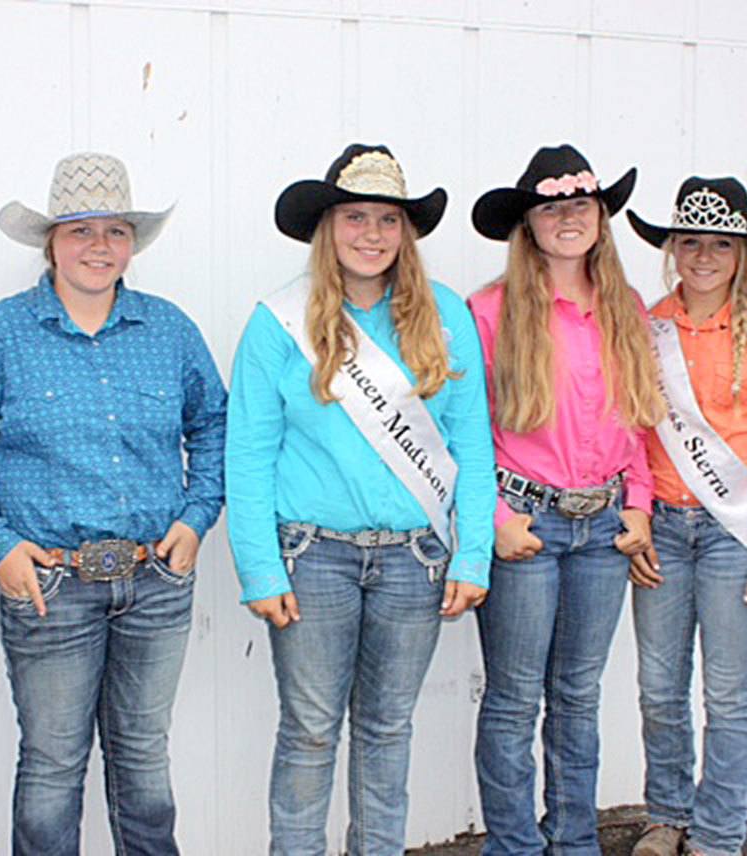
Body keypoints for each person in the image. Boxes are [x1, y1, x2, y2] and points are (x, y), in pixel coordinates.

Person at [0, 152, 226, 856]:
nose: (99, 246)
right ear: (51, 243)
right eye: (80, 230)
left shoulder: (170, 331)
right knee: (52, 767)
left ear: (132, 243)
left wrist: (196, 518)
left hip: (155, 580)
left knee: (144, 761)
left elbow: (215, 425)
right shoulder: (1, 335)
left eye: (115, 230)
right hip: (51, 586)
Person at [226, 143, 495, 855]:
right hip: (312, 556)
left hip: (416, 559)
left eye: (387, 219)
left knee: (387, 730)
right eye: (355, 217)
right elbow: (247, 453)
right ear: (328, 227)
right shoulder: (279, 322)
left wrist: (473, 553)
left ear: (406, 231)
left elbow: (473, 442)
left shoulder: (445, 314)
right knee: (311, 732)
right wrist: (260, 568)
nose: (371, 234)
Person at [466, 144, 664, 855]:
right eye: (551, 209)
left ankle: (575, 840)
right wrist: (495, 519)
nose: (568, 219)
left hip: (604, 528)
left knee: (579, 694)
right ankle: (514, 846)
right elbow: (465, 431)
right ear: (528, 224)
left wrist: (639, 501)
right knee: (515, 698)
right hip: (527, 523)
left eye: (581, 205)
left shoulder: (625, 308)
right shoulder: (490, 311)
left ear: (601, 216)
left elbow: (637, 417)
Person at [625, 178, 747, 856]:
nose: (704, 256)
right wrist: (636, 516)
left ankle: (718, 833)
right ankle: (667, 815)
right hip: (664, 530)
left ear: (743, 255)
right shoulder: (646, 328)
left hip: (736, 533)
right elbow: (631, 432)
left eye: (722, 244)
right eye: (691, 242)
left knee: (728, 696)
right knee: (658, 689)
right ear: (672, 249)